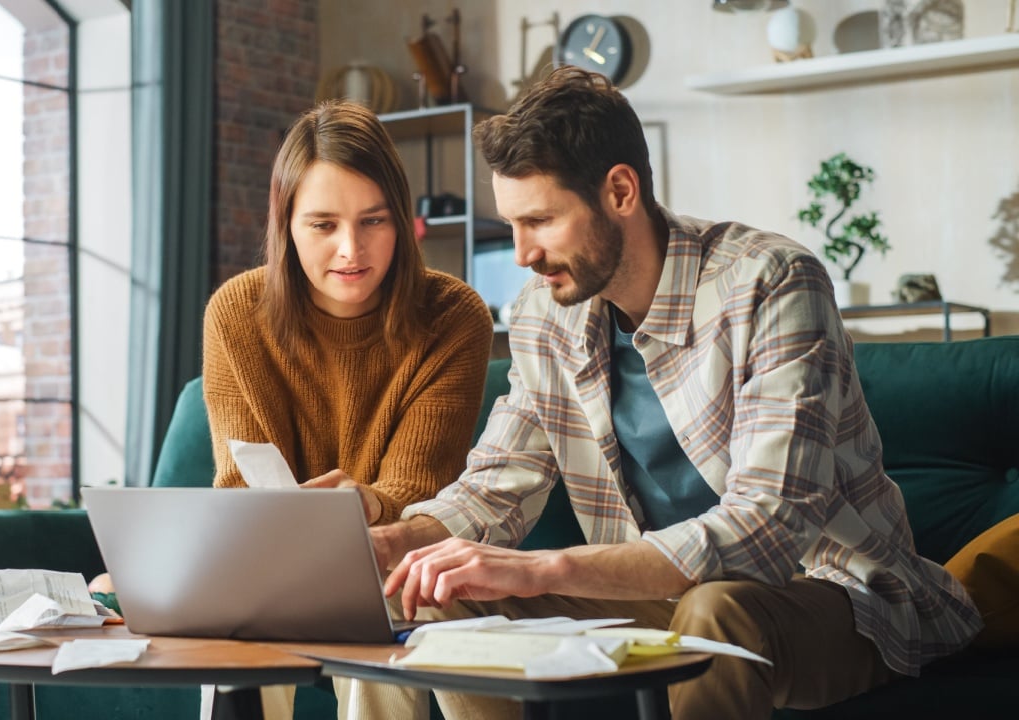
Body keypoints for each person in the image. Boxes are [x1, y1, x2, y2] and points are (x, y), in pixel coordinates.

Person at [356, 67, 982, 720]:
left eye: (540, 220)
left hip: (830, 594)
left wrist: (546, 568)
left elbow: (768, 528)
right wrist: (393, 543)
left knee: (715, 610)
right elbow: (495, 485)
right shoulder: (545, 315)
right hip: (654, 603)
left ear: (620, 191)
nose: (521, 254)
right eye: (512, 223)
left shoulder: (771, 283)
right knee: (424, 590)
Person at [202, 99, 495, 719]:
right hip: (271, 561)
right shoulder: (236, 313)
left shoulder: (453, 316)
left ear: (403, 222)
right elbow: (240, 486)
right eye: (322, 225)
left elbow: (421, 489)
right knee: (240, 603)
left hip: (390, 556)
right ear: (286, 224)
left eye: (373, 220)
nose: (350, 249)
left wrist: (365, 503)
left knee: (381, 590)